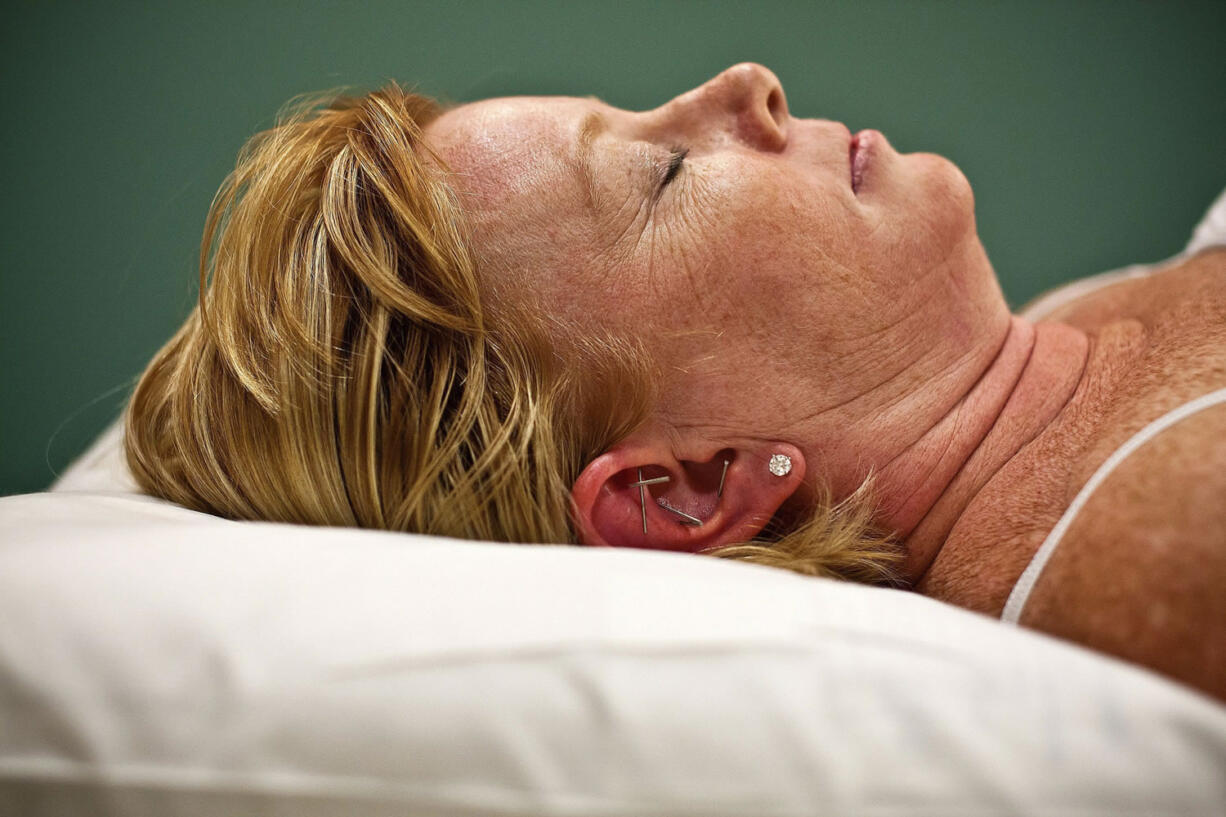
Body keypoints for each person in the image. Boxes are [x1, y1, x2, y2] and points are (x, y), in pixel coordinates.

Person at [126, 64, 1225, 701]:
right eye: (665, 172)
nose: (746, 85)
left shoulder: (1044, 344)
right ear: (685, 490)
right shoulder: (1171, 539)